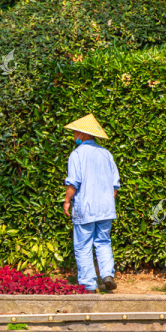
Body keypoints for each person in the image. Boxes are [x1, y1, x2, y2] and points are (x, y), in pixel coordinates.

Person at [62, 114, 120, 294]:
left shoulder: (77, 154)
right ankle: (107, 275)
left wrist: (67, 200)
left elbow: (74, 182)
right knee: (103, 242)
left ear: (82, 133)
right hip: (106, 208)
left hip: (86, 208)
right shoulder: (106, 154)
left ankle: (88, 284)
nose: (73, 136)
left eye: (74, 133)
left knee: (83, 245)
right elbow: (115, 185)